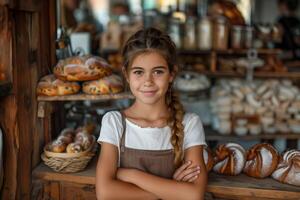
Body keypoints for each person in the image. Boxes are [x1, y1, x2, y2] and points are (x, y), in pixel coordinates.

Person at [96, 27, 207, 200]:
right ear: (126, 74)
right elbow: (105, 193)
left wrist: (131, 175)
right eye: (138, 72)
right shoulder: (114, 123)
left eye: (158, 72)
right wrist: (172, 189)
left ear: (172, 74)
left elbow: (193, 195)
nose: (148, 81)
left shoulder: (190, 123)